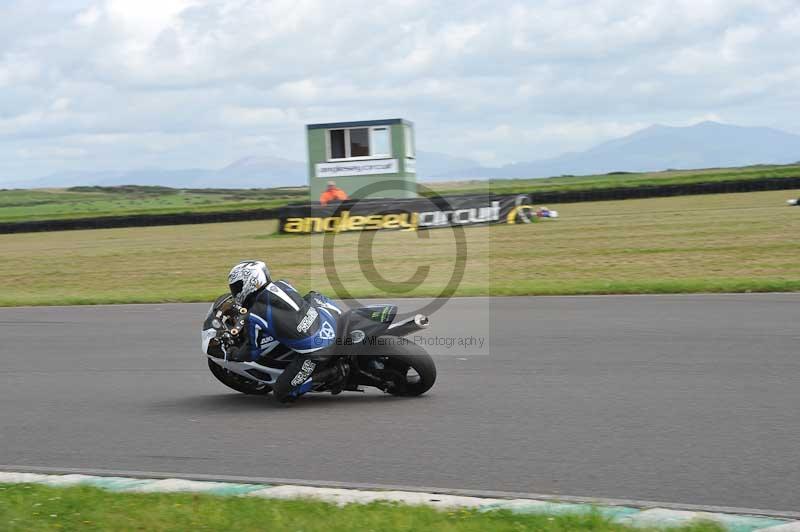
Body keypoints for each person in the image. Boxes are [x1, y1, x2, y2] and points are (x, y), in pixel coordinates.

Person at [225, 260, 345, 402]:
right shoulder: (282, 284)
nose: (235, 291)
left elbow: (252, 352)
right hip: (327, 320)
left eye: (237, 286)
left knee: (282, 393)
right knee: (311, 296)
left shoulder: (254, 315)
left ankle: (334, 373)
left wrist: (234, 353)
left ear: (250, 283)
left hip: (317, 351)